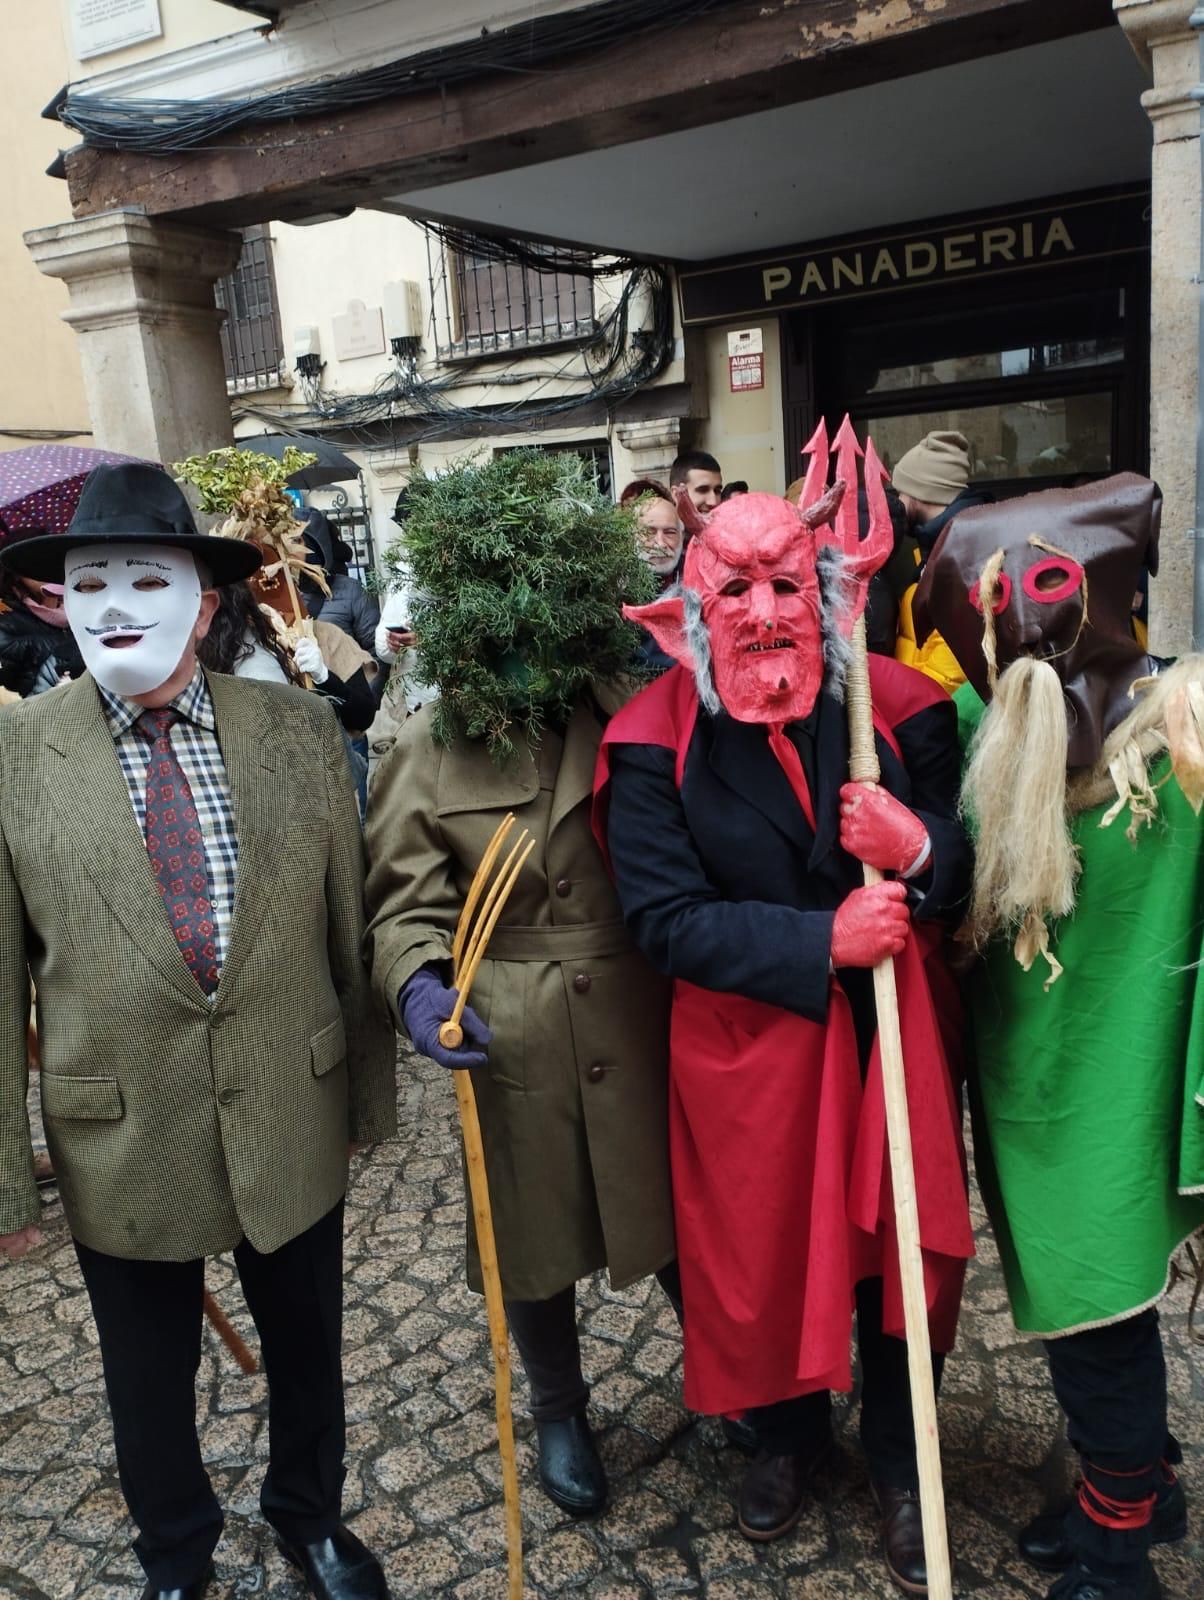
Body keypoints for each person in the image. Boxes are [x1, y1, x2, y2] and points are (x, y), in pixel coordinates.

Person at [0, 464, 398, 1600]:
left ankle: (309, 1514)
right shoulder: (16, 760)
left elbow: (347, 928)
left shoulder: (296, 732)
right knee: (146, 1374)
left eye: (145, 578)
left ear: (206, 597)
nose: (117, 604)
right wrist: (3, 1188)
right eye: (90, 583)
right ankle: (175, 1553)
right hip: (120, 1127)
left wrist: (368, 1094)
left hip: (287, 1096)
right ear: (57, 601)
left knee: (308, 1343)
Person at [593, 489, 974, 1593]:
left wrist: (913, 849)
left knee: (899, 1251)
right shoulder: (647, 744)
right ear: (687, 610)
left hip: (887, 1035)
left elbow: (963, 865)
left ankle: (906, 1461)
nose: (763, 611)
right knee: (760, 1254)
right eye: (735, 588)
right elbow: (663, 920)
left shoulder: (902, 713)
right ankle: (786, 1430)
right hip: (751, 1046)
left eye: (784, 585)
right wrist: (822, 938)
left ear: (827, 595)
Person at [364, 449, 676, 1520]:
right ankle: (557, 1405)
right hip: (510, 1027)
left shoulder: (636, 715)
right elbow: (401, 905)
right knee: (531, 1233)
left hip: (641, 1013)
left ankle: (739, 1379)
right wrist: (417, 987)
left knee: (679, 1208)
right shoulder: (422, 749)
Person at [914, 476, 1203, 1600]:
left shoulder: (1180, 729)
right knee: (1096, 1309)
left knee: (1098, 1321)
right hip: (1032, 1084)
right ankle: (1146, 1484)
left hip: (1125, 1081)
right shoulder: (985, 736)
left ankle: (1116, 1552)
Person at [890, 430, 993, 692]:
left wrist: (905, 707)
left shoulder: (961, 555)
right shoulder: (941, 547)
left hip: (931, 717)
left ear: (918, 493)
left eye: (901, 492)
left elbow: (949, 673)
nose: (899, 502)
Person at [300, 509, 381, 657]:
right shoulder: (277, 593)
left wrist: (363, 681)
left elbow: (377, 651)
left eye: (298, 541)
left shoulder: (351, 591)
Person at [0, 558, 85, 696]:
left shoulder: (82, 610)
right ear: (16, 574)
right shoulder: (6, 623)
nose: (46, 572)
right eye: (36, 564)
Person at [669, 449, 723, 535]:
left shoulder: (728, 534)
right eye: (703, 490)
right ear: (676, 495)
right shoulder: (662, 540)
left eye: (717, 491)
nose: (713, 502)